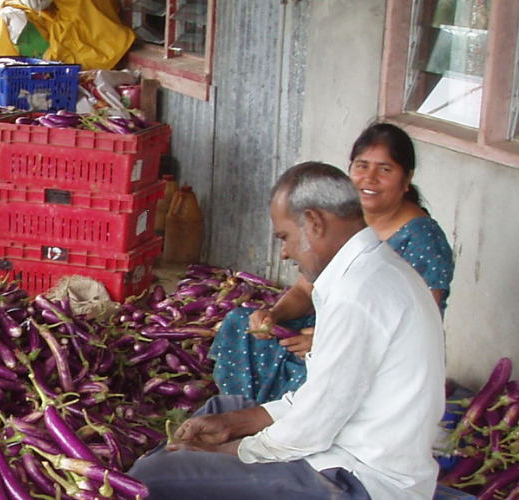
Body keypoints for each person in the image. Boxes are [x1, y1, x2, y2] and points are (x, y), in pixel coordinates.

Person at [128, 162, 445, 500]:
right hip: (344, 451)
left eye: (285, 237)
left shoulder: (358, 295)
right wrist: (234, 424)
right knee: (223, 411)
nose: (284, 252)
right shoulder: (372, 270)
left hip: (358, 479)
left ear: (314, 223)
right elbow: (320, 396)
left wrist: (234, 451)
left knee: (150, 478)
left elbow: (312, 427)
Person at [210, 123, 454, 403]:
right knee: (243, 323)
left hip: (376, 349)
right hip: (329, 327)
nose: (369, 179)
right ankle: (245, 412)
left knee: (318, 378)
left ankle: (273, 425)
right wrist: (273, 316)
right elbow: (305, 291)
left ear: (406, 178)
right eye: (362, 166)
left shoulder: (424, 240)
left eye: (385, 169)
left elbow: (418, 327)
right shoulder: (347, 219)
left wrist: (329, 344)